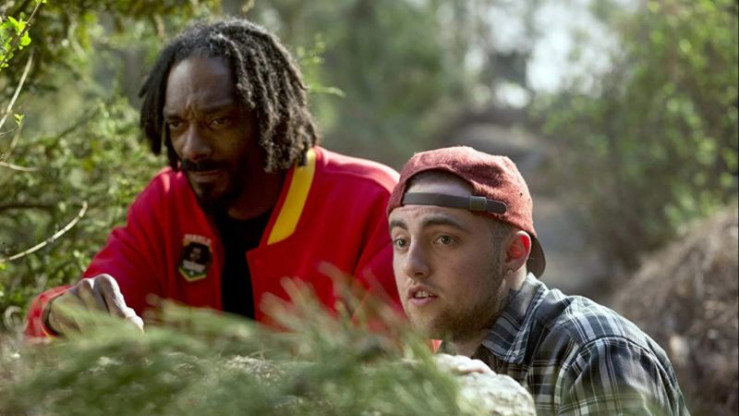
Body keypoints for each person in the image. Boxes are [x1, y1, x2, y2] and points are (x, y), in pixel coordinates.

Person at [24, 18, 400, 337]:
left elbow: (395, 362)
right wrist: (61, 314)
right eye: (176, 124)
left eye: (218, 121)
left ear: (271, 118)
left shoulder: (372, 202)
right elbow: (72, 306)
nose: (191, 148)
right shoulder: (167, 202)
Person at [386, 146, 689, 415]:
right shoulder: (443, 365)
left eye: (444, 239)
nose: (412, 266)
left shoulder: (593, 353)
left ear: (513, 253)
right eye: (401, 241)